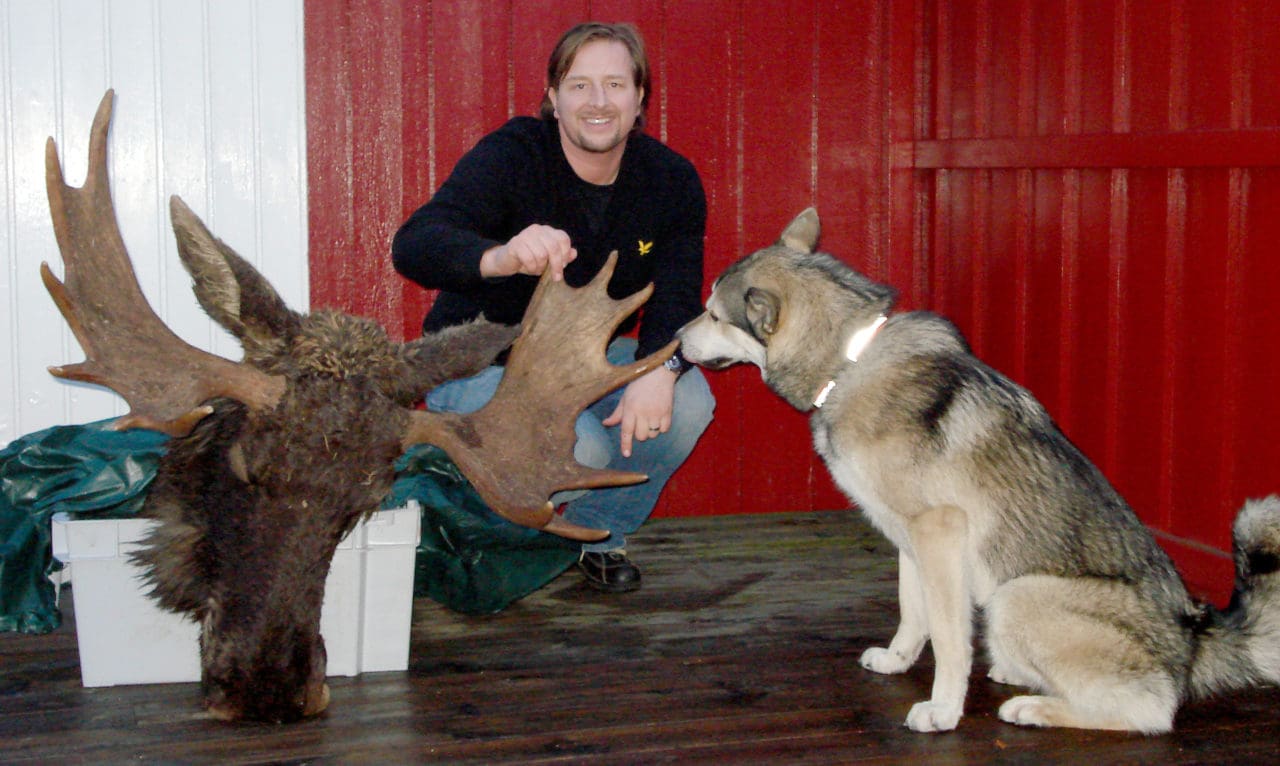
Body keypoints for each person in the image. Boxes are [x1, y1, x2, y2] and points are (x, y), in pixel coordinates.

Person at [392, 22, 714, 594]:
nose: (597, 102)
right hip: (480, 365)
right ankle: (495, 531)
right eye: (579, 84)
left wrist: (662, 370)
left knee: (687, 401)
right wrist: (500, 256)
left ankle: (594, 536)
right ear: (553, 96)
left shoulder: (670, 180)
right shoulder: (513, 155)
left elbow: (678, 294)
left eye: (615, 84)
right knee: (579, 445)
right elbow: (415, 244)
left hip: (579, 362)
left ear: (640, 98)